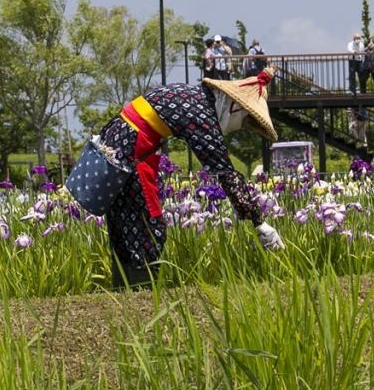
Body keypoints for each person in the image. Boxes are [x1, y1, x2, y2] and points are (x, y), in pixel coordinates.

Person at [65, 68, 285, 289]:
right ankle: (142, 295)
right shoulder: (201, 114)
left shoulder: (193, 96)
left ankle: (125, 293)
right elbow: (225, 171)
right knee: (146, 229)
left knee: (125, 227)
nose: (241, 128)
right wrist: (259, 222)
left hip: (118, 151)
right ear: (236, 107)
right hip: (130, 155)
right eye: (245, 121)